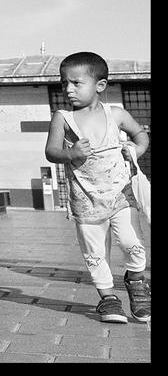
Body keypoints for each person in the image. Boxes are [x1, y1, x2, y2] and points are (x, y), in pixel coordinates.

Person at [44, 51, 150, 324]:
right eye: (64, 83)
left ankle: (137, 283)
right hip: (85, 200)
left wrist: (135, 151)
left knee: (132, 243)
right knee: (95, 252)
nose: (68, 89)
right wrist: (70, 153)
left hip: (120, 196)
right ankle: (108, 299)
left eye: (76, 83)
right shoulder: (63, 118)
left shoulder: (115, 114)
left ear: (99, 86)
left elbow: (140, 135)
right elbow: (51, 151)